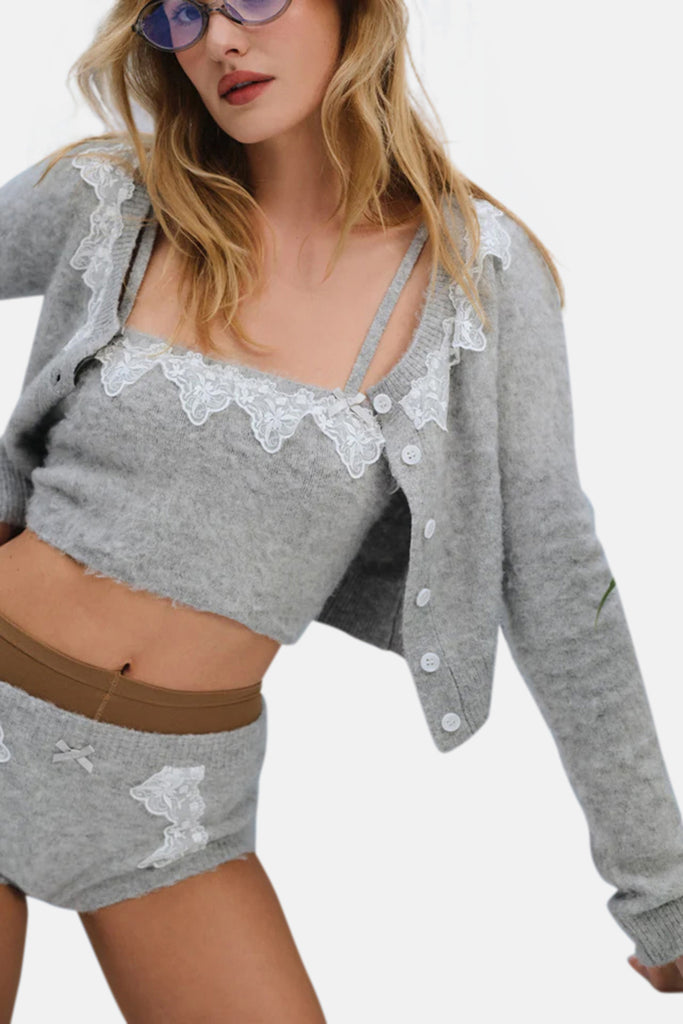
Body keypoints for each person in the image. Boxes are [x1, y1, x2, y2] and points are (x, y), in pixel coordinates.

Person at [1, 0, 682, 1019]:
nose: (218, 39)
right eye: (181, 13)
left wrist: (661, 888)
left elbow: (554, 578)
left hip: (173, 810)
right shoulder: (113, 196)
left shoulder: (476, 279)